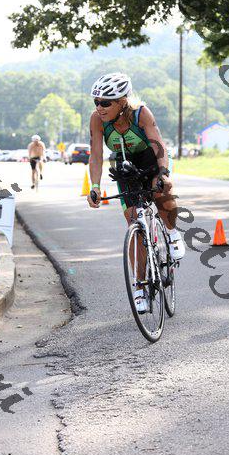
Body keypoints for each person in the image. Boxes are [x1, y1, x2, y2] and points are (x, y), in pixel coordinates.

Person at [87, 72, 185, 314]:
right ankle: (139, 287)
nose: (99, 107)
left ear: (122, 101)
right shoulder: (97, 120)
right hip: (124, 164)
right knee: (133, 220)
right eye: (96, 101)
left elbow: (158, 145)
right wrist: (95, 187)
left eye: (105, 103)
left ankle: (172, 233)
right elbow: (96, 155)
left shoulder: (141, 113)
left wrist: (163, 174)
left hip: (151, 158)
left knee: (162, 193)